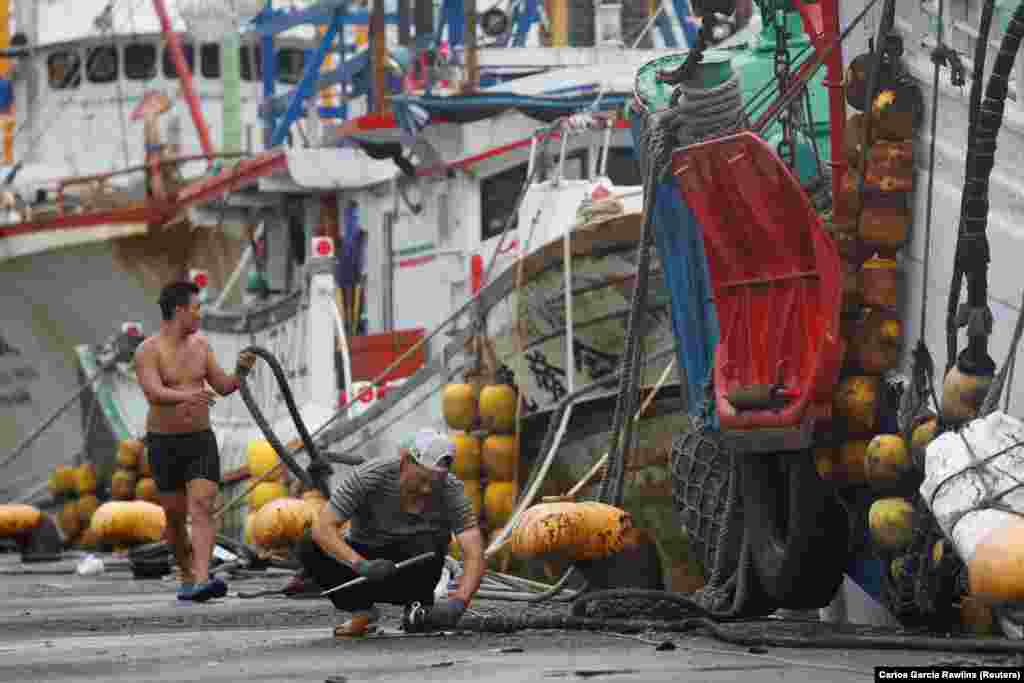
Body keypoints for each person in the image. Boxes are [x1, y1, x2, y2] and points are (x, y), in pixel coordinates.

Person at [134, 281, 256, 602]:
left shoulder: (202, 345)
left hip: (200, 440)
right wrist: (189, 396)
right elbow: (153, 392)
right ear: (179, 311)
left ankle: (203, 578)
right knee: (174, 517)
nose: (200, 313)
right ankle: (187, 575)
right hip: (164, 444)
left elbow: (224, 385)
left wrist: (240, 372)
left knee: (203, 505)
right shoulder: (148, 350)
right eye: (197, 308)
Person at [299, 428, 485, 637]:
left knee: (431, 543)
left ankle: (417, 609)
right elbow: (323, 528)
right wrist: (361, 564)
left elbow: (474, 552)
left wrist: (459, 603)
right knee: (309, 543)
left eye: (434, 484)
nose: (426, 490)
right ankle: (362, 610)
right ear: (405, 461)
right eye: (422, 480)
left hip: (415, 567)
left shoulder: (451, 490)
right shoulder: (371, 476)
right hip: (366, 565)